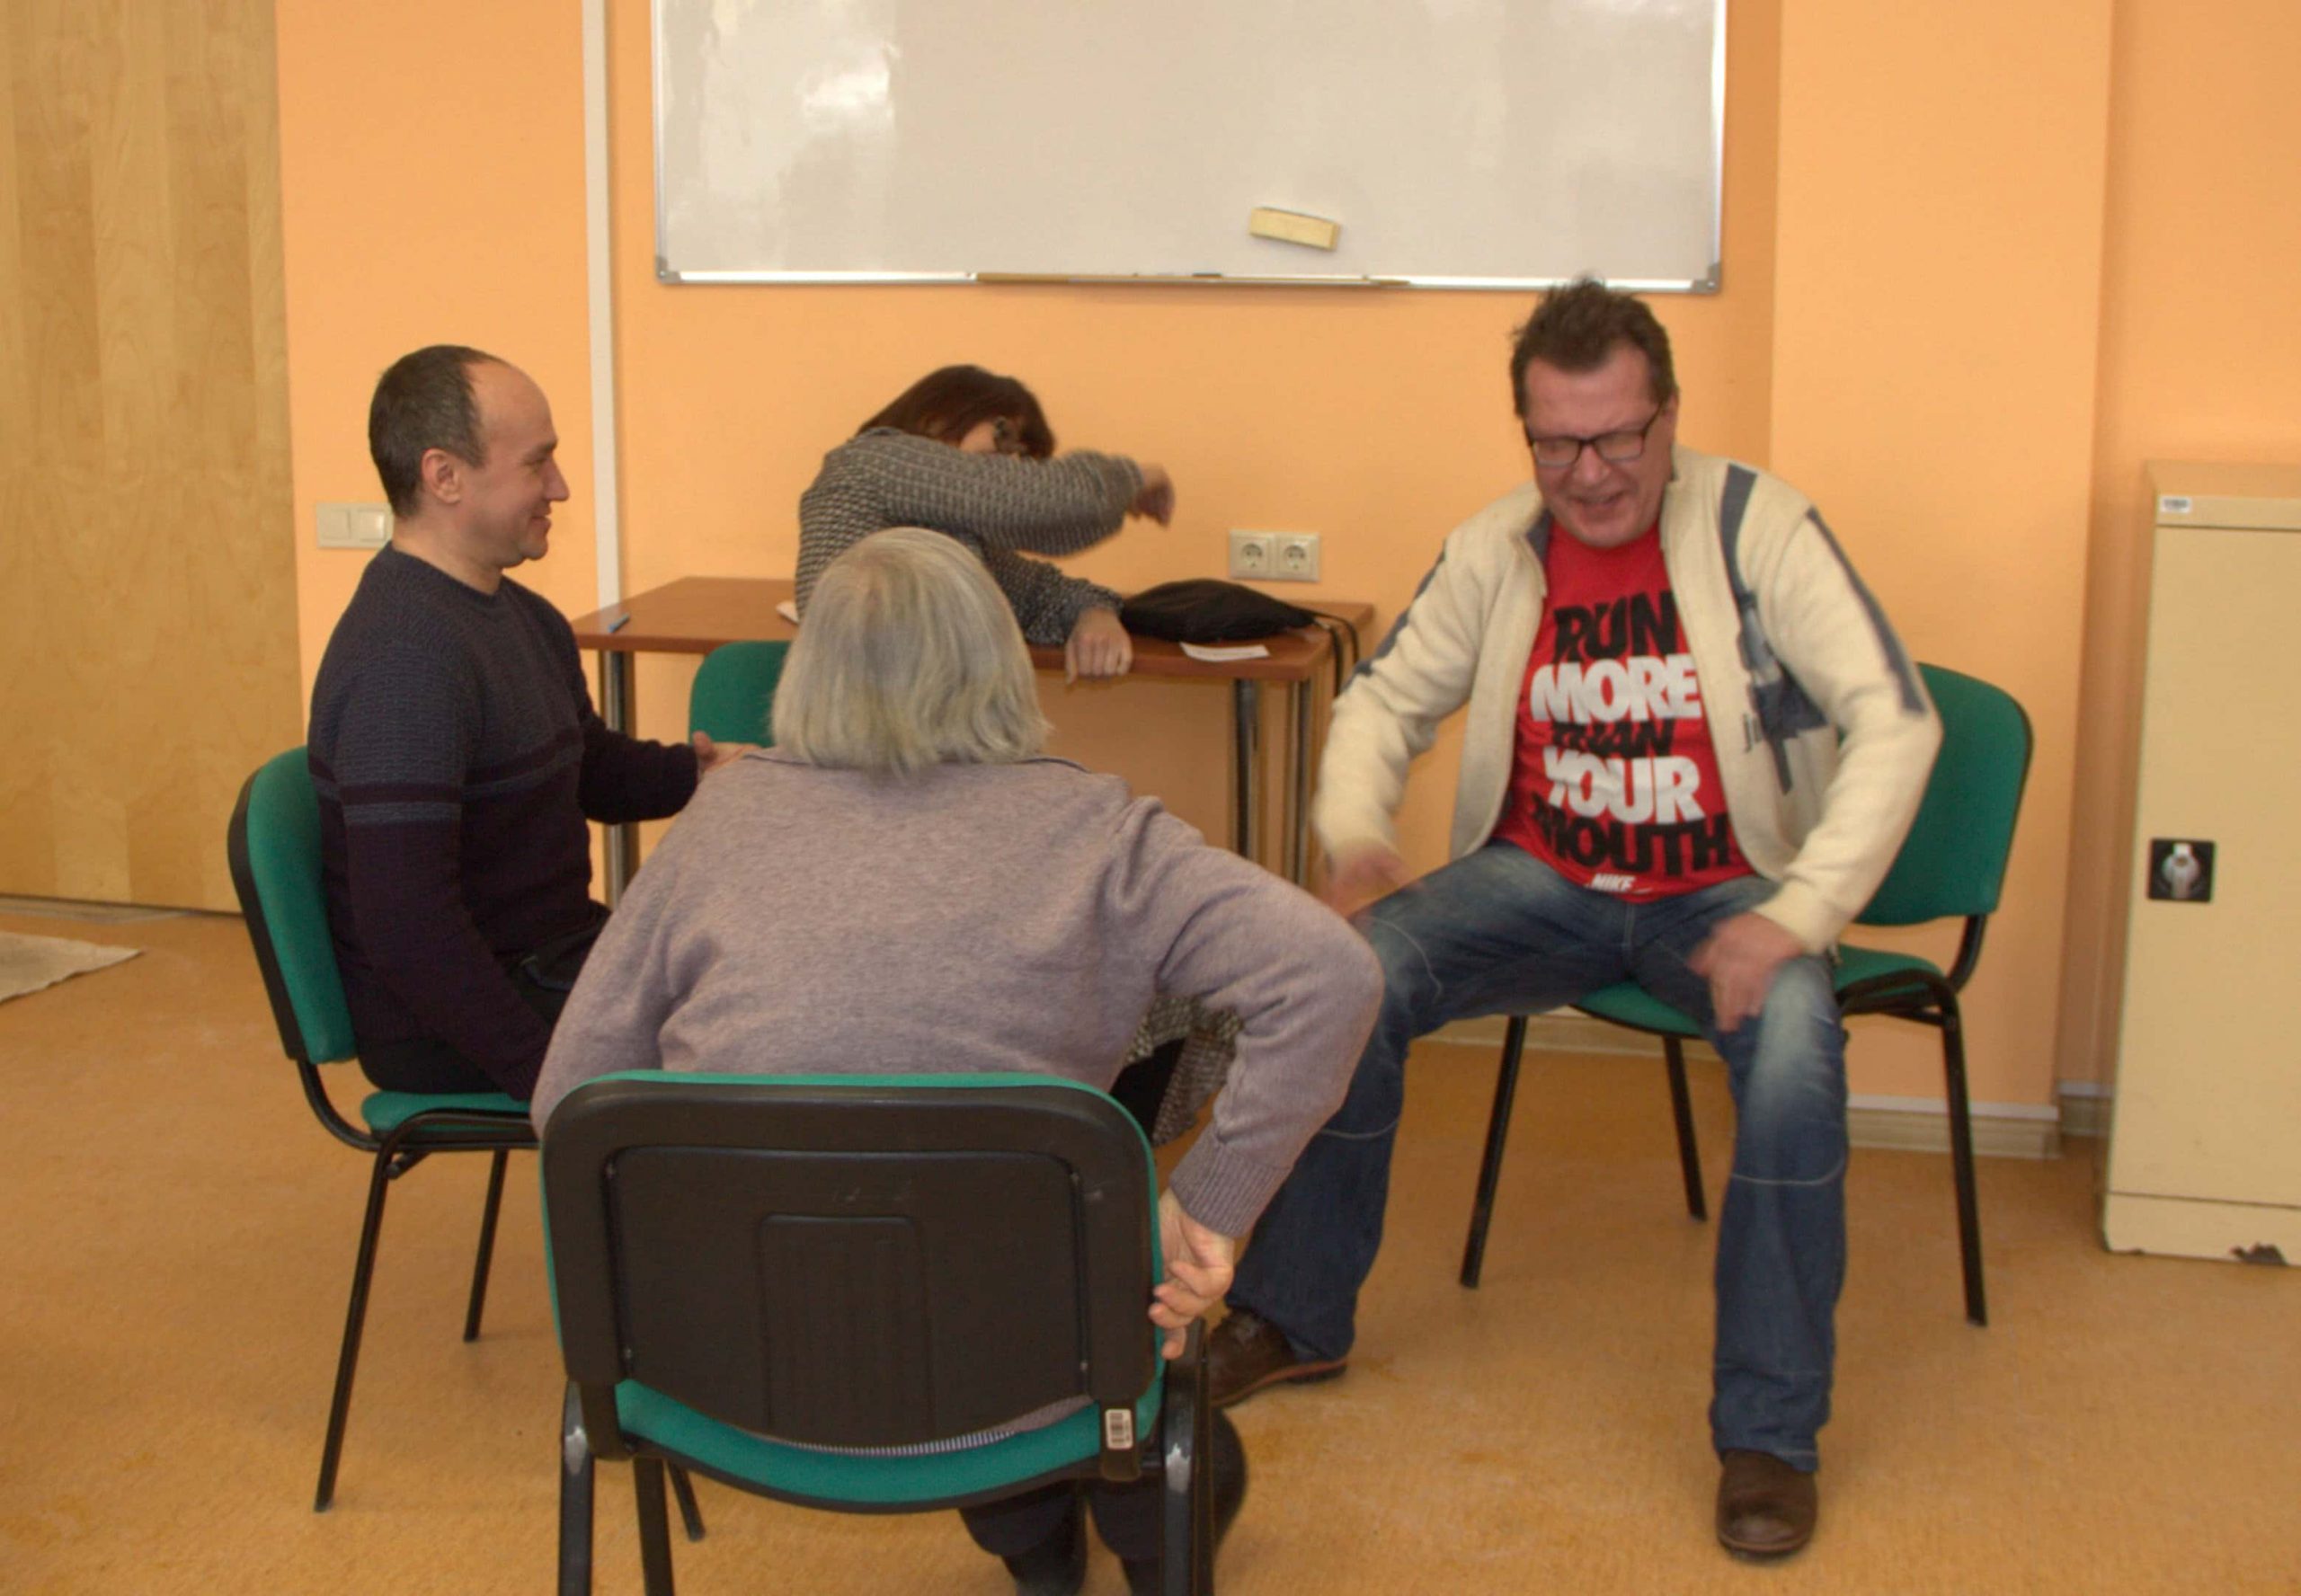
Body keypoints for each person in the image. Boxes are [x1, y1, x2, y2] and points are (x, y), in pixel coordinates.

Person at [1204, 279, 1941, 1560]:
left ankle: (1769, 1437)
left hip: (1727, 892)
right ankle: (1295, 1315)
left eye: (1616, 439)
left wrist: (1804, 912)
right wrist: (1356, 835)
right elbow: (1381, 702)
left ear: (1669, 417)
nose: (1589, 475)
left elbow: (1898, 718)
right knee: (1348, 974)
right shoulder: (1498, 546)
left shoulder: (1760, 528)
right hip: (1542, 879)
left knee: (1794, 1052)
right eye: (1556, 445)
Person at [531, 528, 1381, 1595]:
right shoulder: (1100, 833)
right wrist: (1206, 1209)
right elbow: (1330, 976)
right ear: (999, 664)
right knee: (1108, 1340)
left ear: (808, 672)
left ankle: (1032, 1546)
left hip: (719, 1375)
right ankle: (1121, 1522)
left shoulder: (715, 823)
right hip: (1028, 1375)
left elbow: (567, 1104)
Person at [308, 345, 748, 1102]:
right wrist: (556, 1079)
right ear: (444, 476)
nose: (561, 487)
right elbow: (409, 930)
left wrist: (702, 773)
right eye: (536, 464)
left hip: (551, 961)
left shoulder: (523, 616)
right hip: (455, 1021)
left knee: (768, 976)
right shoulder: (403, 662)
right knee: (761, 1029)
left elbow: (589, 770)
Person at [795, 364, 1176, 681]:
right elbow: (1042, 500)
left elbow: (1041, 592)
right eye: (1003, 436)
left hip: (929, 716)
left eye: (1023, 457)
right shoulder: (871, 461)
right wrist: (1137, 476)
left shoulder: (952, 531)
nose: (1010, 462)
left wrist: (1094, 614)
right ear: (937, 416)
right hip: (854, 713)